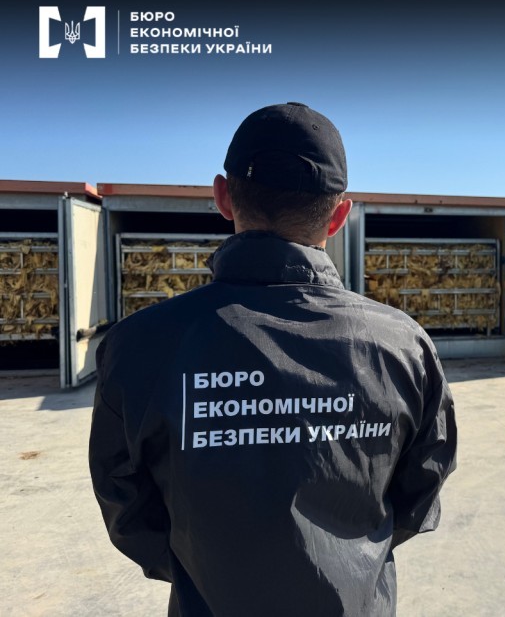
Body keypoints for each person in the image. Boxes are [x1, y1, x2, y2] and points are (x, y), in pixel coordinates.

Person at [88, 101, 458, 616]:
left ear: (221, 196)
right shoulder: (403, 346)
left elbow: (126, 505)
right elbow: (419, 493)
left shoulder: (139, 346)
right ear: (340, 215)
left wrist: (209, 570)